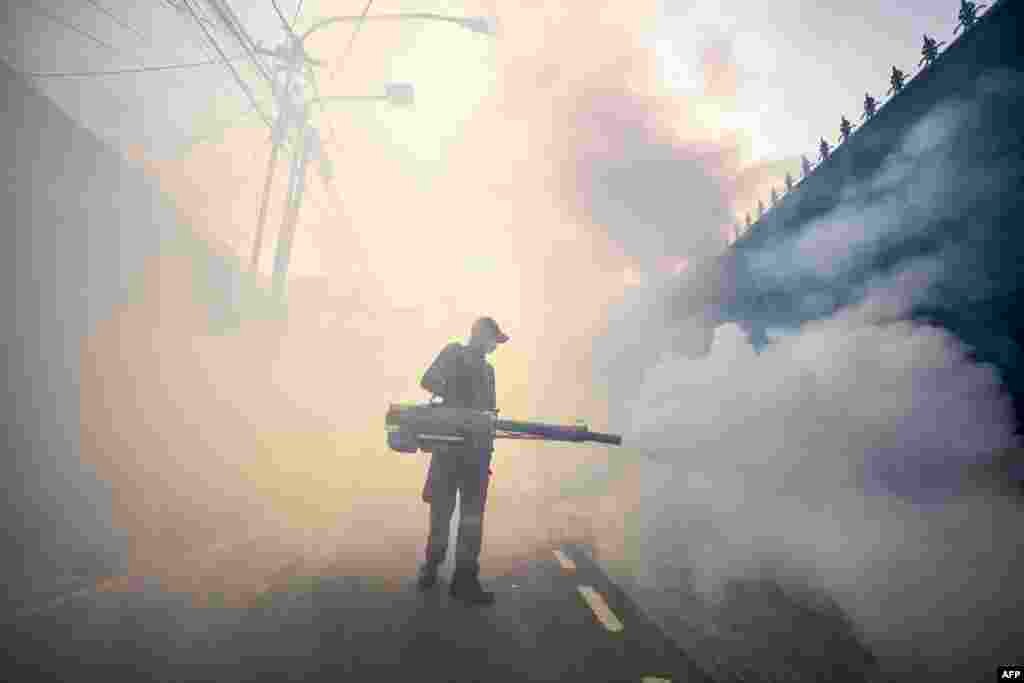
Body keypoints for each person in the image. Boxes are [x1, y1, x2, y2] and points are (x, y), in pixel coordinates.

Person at [416, 316, 510, 605]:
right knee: (441, 516)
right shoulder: (453, 353)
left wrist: (488, 454)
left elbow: (489, 417)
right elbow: (428, 380)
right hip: (448, 452)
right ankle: (431, 567)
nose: (495, 347)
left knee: (471, 521)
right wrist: (457, 394)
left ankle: (464, 580)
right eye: (493, 340)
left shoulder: (489, 371)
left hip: (477, 459)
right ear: (480, 335)